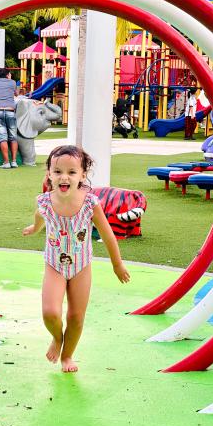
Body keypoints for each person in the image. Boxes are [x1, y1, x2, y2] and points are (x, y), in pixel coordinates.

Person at [22, 145, 130, 372]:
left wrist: (117, 264)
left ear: (82, 175)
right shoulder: (44, 201)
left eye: (71, 172)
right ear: (49, 174)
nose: (64, 177)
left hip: (81, 266)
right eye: (58, 171)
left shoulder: (90, 203)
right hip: (54, 264)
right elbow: (39, 217)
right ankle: (57, 338)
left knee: (76, 317)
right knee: (50, 313)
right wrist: (35, 228)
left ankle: (67, 356)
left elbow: (108, 234)